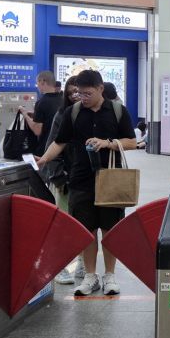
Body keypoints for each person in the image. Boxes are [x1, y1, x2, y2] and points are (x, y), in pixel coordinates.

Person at [36, 70, 136, 296]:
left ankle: (109, 275)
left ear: (101, 89)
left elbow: (131, 142)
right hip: (80, 180)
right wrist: (44, 159)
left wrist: (107, 143)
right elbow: (59, 142)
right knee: (87, 230)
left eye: (87, 93)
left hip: (110, 179)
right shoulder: (73, 113)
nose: (82, 97)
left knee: (110, 230)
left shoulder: (118, 111)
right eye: (79, 93)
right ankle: (90, 276)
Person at [45, 80, 83, 286]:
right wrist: (59, 176)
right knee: (62, 225)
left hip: (87, 180)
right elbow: (54, 145)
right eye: (72, 93)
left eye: (81, 93)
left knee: (86, 225)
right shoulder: (62, 116)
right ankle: (58, 267)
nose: (77, 96)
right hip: (65, 180)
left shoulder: (91, 115)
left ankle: (83, 263)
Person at [22, 70, 63, 156]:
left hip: (46, 149)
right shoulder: (63, 99)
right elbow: (51, 116)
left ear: (42, 81)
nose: (37, 86)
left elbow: (37, 131)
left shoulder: (41, 102)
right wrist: (35, 114)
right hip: (62, 148)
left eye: (37, 83)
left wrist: (25, 115)